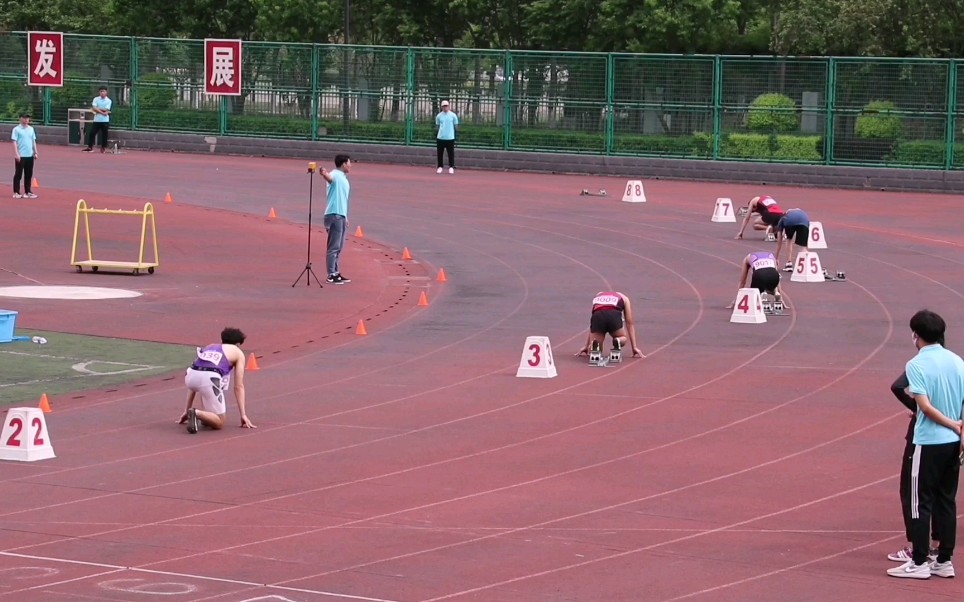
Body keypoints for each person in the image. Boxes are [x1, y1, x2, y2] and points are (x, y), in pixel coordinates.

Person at [887, 310, 964, 580]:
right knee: (947, 501)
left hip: (929, 441)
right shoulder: (957, 361)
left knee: (920, 502)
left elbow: (925, 407)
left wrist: (951, 424)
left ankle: (919, 561)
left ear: (915, 335)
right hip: (954, 444)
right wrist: (959, 427)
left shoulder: (916, 365)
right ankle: (944, 560)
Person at [888, 362, 943, 565]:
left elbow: (897, 386)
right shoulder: (955, 363)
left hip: (922, 436)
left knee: (911, 492)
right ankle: (940, 547)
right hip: (950, 433)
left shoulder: (918, 365)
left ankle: (918, 550)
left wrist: (917, 406)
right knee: (942, 493)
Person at [178, 327, 255, 433]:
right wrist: (243, 415)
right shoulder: (237, 352)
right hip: (209, 378)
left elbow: (194, 385)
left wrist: (186, 410)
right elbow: (238, 386)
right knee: (220, 421)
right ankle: (196, 413)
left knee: (209, 417)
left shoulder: (210, 346)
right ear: (238, 344)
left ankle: (197, 414)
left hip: (190, 375)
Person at [576, 291, 644, 359]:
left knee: (596, 347)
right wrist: (634, 347)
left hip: (598, 317)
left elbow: (592, 323)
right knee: (622, 337)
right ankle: (619, 340)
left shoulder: (598, 295)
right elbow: (629, 322)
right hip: (613, 316)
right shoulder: (624, 298)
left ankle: (595, 346)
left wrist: (586, 345)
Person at [320, 154, 352, 284]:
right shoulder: (335, 175)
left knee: (339, 246)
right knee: (334, 246)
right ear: (343, 164)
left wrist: (345, 216)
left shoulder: (343, 178)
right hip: (334, 215)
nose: (351, 165)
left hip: (340, 215)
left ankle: (336, 272)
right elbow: (329, 178)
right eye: (349, 163)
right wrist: (323, 173)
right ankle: (331, 274)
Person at [11, 113, 38, 199]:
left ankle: (28, 191)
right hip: (21, 155)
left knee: (28, 174)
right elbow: (14, 142)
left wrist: (36, 152)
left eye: (27, 118)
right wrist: (16, 153)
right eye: (24, 118)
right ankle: (16, 192)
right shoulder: (16, 129)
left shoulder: (31, 129)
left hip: (29, 155)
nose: (26, 120)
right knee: (18, 174)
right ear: (20, 119)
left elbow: (33, 141)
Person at [83, 86, 112, 153]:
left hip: (105, 121)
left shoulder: (109, 101)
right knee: (91, 133)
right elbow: (94, 108)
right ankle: (90, 147)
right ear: (99, 92)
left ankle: (103, 147)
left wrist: (98, 109)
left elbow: (106, 109)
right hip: (96, 120)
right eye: (101, 91)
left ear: (106, 92)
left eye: (104, 91)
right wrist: (102, 111)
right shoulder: (96, 99)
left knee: (104, 135)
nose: (102, 93)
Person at [435, 100, 459, 174]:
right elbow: (437, 126)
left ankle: (451, 167)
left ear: (448, 106)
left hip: (450, 137)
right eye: (444, 106)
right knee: (440, 153)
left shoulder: (453, 115)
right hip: (440, 137)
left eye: (446, 106)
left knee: (450, 153)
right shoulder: (439, 116)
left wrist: (455, 134)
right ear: (442, 107)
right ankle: (440, 167)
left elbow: (456, 126)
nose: (445, 107)